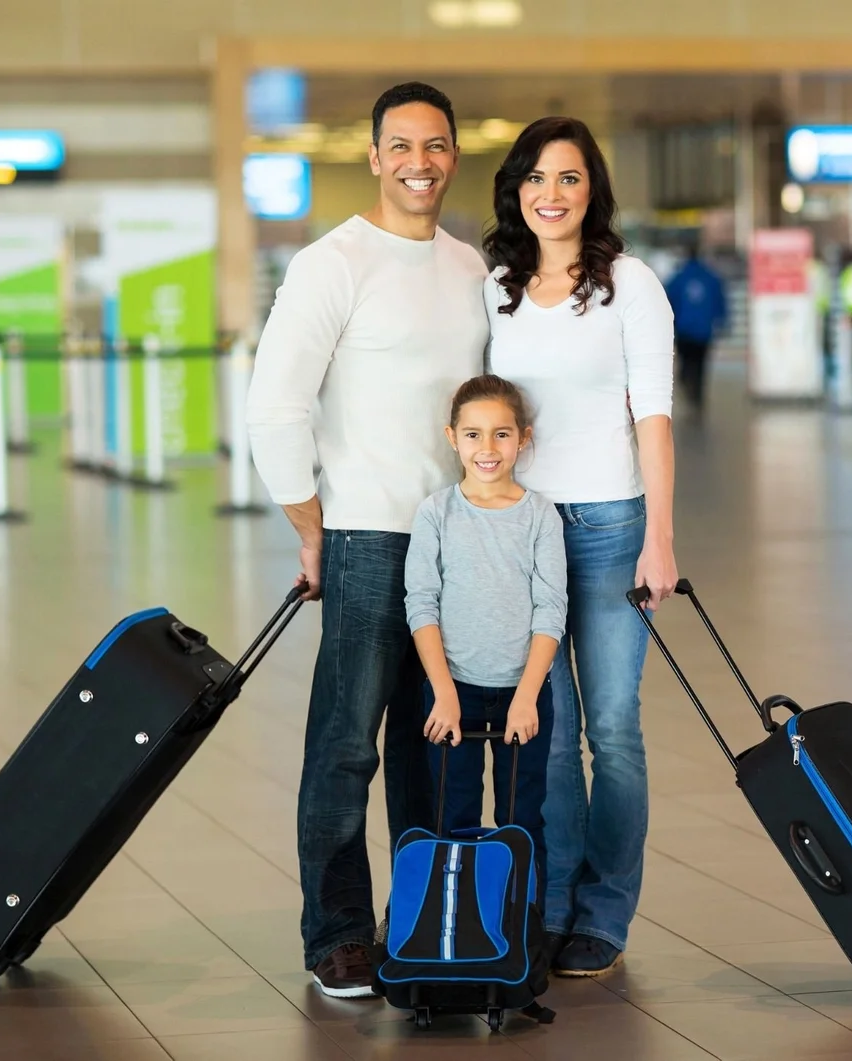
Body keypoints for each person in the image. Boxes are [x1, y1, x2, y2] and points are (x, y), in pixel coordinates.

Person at [245, 81, 489, 998]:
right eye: (402, 146)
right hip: (365, 539)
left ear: (452, 155)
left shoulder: (471, 270)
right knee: (346, 746)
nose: (419, 162)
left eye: (436, 145)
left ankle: (422, 922)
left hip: (458, 546)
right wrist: (312, 526)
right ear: (376, 155)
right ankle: (339, 933)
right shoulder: (332, 262)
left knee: (437, 746)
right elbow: (276, 406)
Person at [482, 116, 678, 977]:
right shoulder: (495, 287)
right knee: (546, 733)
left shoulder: (629, 284)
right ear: (515, 191)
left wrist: (661, 538)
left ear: (591, 188)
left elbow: (654, 415)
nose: (549, 194)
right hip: (522, 528)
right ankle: (551, 903)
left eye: (566, 178)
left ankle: (604, 911)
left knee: (613, 727)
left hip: (608, 527)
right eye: (534, 178)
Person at [408, 374, 567, 894]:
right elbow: (421, 605)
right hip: (453, 692)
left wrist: (526, 698)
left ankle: (522, 935)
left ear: (524, 438)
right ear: (452, 438)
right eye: (473, 434)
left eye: (502, 434)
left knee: (522, 821)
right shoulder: (436, 513)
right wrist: (445, 694)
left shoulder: (540, 516)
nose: (488, 448)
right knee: (451, 818)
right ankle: (455, 933)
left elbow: (550, 609)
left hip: (523, 694)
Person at [663, 241, 727, 414]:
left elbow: (668, 301)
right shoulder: (711, 277)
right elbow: (720, 301)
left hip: (684, 329)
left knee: (686, 361)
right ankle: (697, 394)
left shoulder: (678, 277)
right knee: (700, 363)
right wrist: (721, 321)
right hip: (704, 330)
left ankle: (686, 383)